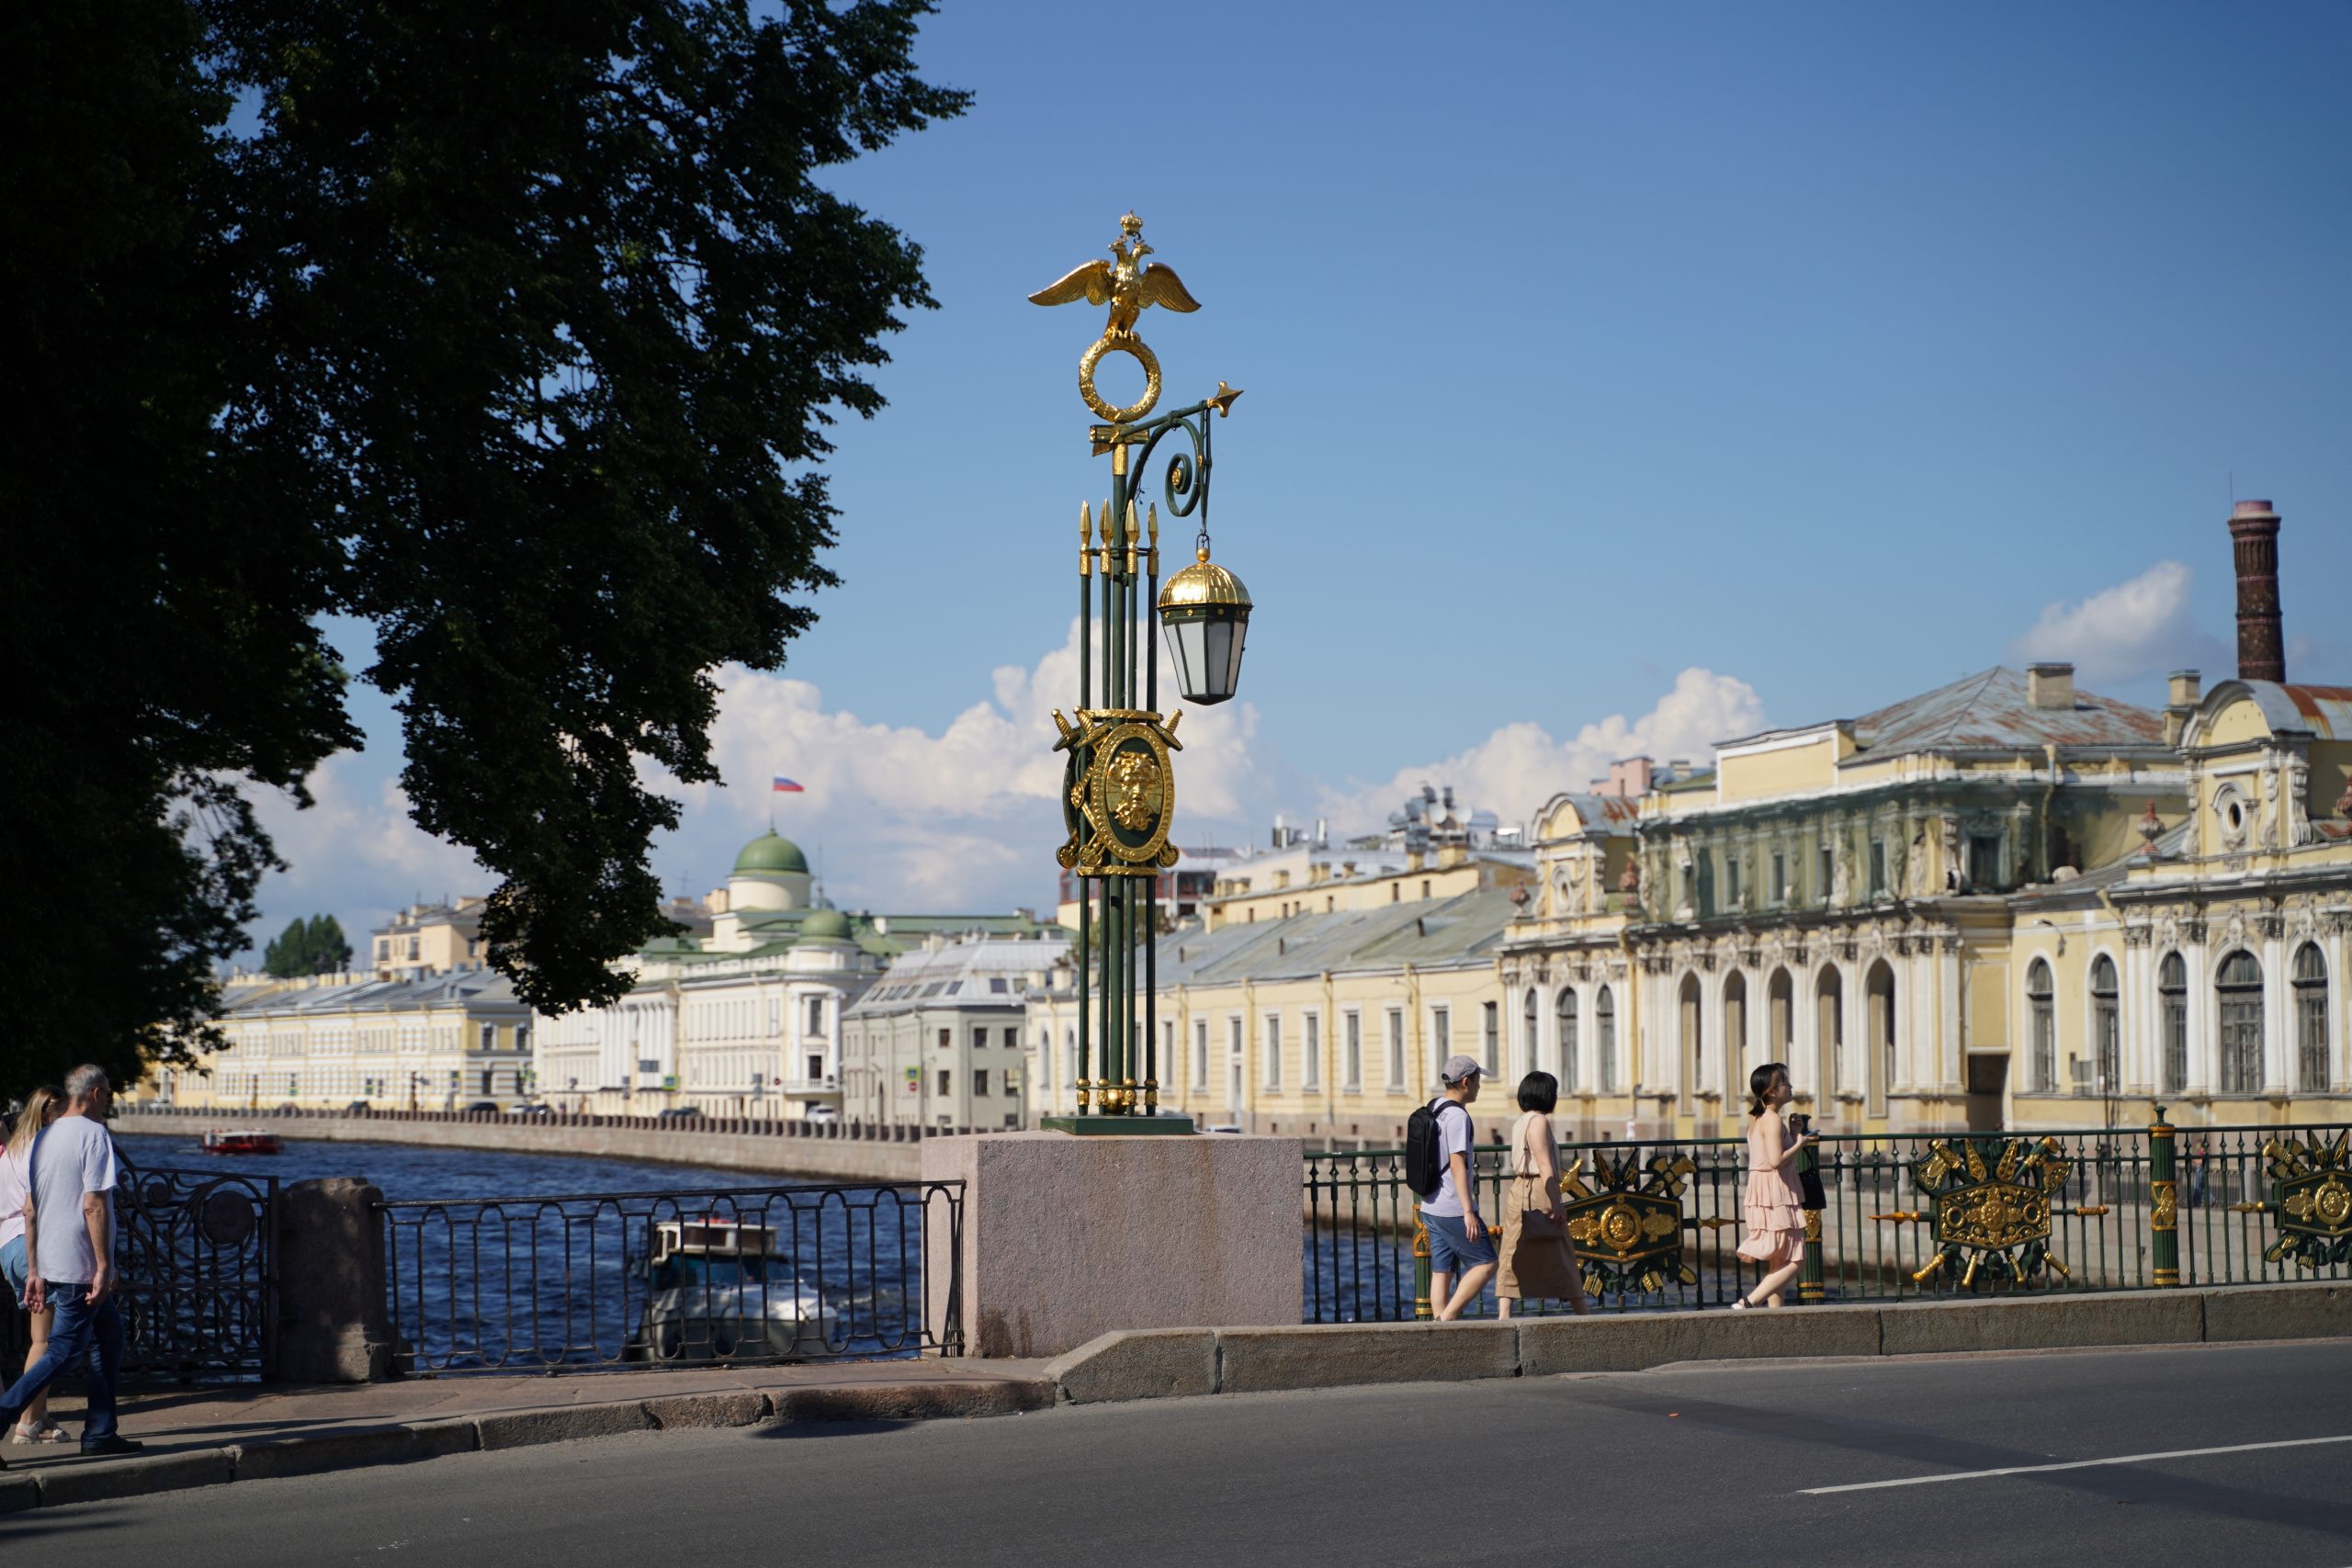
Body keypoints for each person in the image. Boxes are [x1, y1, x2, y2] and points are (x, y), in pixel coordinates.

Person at [0, 1065, 142, 1467]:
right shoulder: (94, 1134)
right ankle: (6, 1416)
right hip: (80, 1264)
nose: (109, 1101)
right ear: (96, 1094)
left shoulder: (44, 1136)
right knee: (62, 1351)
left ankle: (100, 1433)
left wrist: (34, 1268)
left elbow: (30, 1209)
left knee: (109, 1337)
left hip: (52, 1258)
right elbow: (94, 1204)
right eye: (109, 1094)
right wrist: (103, 1265)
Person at [1494, 1071, 1591, 1320]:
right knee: (1561, 1250)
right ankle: (1584, 1316)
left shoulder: (1520, 1122)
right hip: (1538, 1189)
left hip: (1520, 1190)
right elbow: (1545, 1165)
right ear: (1546, 1094)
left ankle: (1504, 1317)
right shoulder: (1539, 1122)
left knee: (1512, 1252)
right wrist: (1557, 1202)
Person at [2, 1087, 68, 1444]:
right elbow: (33, 1211)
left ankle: (40, 1417)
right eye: (61, 1115)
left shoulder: (11, 1148)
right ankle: (26, 1422)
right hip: (32, 1247)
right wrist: (36, 1265)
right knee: (46, 1342)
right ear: (47, 1114)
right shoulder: (40, 1149)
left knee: (41, 1339)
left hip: (6, 1246)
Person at [1729, 1061, 1814, 1310]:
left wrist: (1794, 1131)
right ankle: (1749, 1302)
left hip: (1763, 1190)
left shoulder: (1759, 1118)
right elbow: (1777, 1161)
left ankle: (1776, 1318)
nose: (1790, 1085)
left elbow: (1770, 1154)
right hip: (1775, 1191)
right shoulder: (1773, 1120)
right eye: (1784, 1081)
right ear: (1771, 1091)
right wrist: (1800, 1143)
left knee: (1779, 1260)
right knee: (1797, 1261)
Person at [1419, 1055, 1496, 1322]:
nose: (1479, 1087)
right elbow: (1457, 1164)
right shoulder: (1458, 1117)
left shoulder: (1434, 1106)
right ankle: (1446, 1320)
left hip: (1430, 1203)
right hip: (1453, 1206)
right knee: (1486, 1263)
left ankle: (1440, 1334)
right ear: (1465, 1082)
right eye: (1477, 1081)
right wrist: (1468, 1211)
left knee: (1442, 1270)